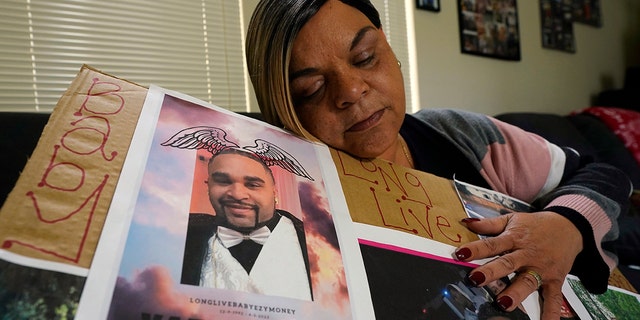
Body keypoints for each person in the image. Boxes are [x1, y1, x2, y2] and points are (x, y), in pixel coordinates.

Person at [245, 0, 632, 318]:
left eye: (364, 58)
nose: (351, 90)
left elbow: (603, 173)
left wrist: (566, 223)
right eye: (313, 88)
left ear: (390, 49)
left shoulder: (457, 134)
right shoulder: (283, 197)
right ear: (284, 108)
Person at [180, 148, 312, 301]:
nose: (237, 194)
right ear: (208, 187)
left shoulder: (314, 240)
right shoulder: (182, 231)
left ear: (274, 192)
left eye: (252, 184)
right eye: (223, 181)